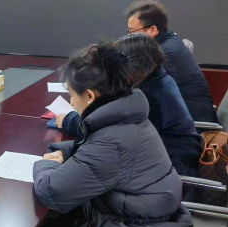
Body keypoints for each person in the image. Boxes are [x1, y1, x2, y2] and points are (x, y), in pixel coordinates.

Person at [33, 42, 192, 227]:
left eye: (71, 95)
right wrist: (67, 152)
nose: (71, 102)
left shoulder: (112, 141)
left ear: (90, 96)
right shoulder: (128, 118)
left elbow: (52, 191)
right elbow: (97, 153)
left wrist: (46, 164)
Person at [56, 34, 202, 177]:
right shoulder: (160, 80)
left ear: (135, 66)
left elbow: (112, 130)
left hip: (175, 168)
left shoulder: (150, 96)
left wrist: (71, 120)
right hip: (176, 157)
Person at [125, 0, 218, 123]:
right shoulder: (167, 41)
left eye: (132, 31)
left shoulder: (165, 54)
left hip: (192, 125)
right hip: (184, 117)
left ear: (153, 30)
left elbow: (152, 97)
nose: (128, 37)